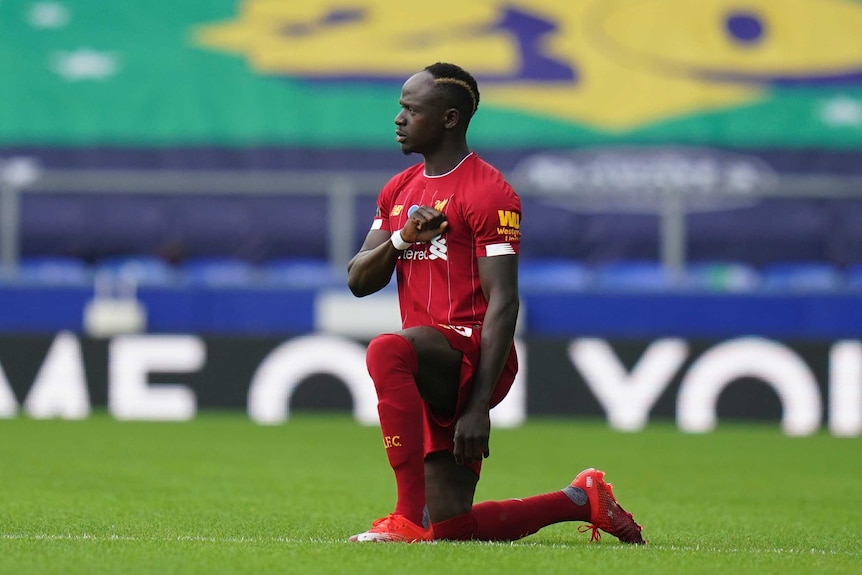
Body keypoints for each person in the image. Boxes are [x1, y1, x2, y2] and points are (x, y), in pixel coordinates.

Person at [346, 62, 645, 544]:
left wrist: (478, 405)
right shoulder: (399, 190)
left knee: (386, 350)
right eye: (399, 107)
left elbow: (504, 301)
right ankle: (581, 499)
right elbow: (359, 279)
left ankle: (403, 517)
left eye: (410, 109)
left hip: (472, 357)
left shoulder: (488, 193)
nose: (398, 118)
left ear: (448, 118)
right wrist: (402, 239)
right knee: (450, 529)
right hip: (426, 364)